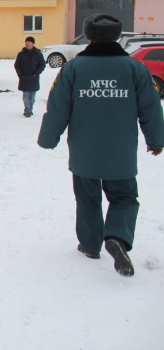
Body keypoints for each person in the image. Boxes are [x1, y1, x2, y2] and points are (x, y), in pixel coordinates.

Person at [38, 14, 164, 277]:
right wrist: (156, 140)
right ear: (118, 37)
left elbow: (58, 106)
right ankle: (117, 236)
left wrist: (48, 138)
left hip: (84, 150)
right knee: (125, 197)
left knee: (87, 198)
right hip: (121, 151)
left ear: (89, 36)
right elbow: (151, 108)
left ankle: (90, 244)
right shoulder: (135, 69)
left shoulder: (72, 69)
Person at [14, 36, 46, 117]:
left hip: (33, 78)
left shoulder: (38, 54)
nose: (27, 43)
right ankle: (27, 110)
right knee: (26, 95)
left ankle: (30, 109)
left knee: (32, 96)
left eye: (29, 42)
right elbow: (17, 65)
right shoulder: (21, 54)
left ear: (33, 43)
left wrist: (36, 73)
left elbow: (42, 64)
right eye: (26, 42)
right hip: (24, 77)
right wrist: (20, 75)